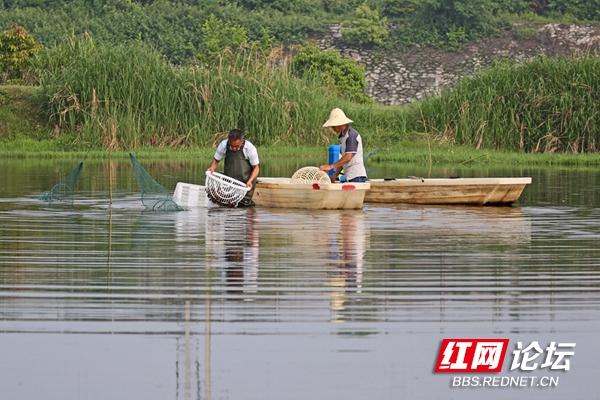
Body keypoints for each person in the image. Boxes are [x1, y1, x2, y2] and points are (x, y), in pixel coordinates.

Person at [207, 128, 260, 206]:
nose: (235, 149)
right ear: (229, 141)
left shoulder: (250, 148)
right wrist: (212, 168)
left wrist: (250, 181)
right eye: (232, 146)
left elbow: (256, 168)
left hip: (245, 184)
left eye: (237, 146)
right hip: (230, 183)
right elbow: (216, 160)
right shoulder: (224, 145)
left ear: (242, 141)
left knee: (244, 206)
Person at [319, 108, 367, 183]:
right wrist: (334, 176)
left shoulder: (351, 135)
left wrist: (330, 166)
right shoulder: (343, 137)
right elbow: (343, 161)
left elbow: (348, 157)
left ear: (340, 124)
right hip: (350, 176)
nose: (332, 128)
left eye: (333, 126)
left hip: (357, 176)